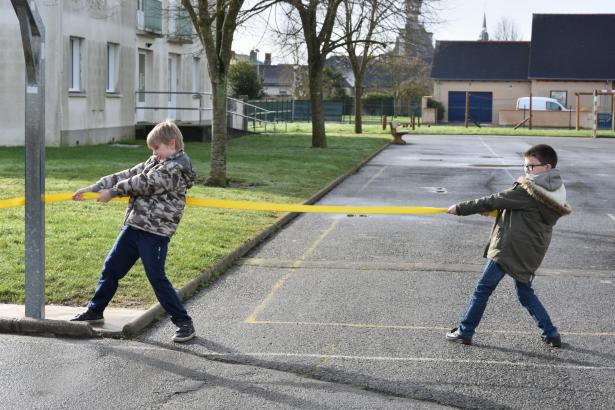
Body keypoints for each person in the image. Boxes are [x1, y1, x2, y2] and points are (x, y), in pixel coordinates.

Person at [70, 120, 197, 343]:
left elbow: (144, 182)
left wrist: (113, 192)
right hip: (134, 227)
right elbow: (129, 173)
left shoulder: (176, 169)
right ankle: (95, 310)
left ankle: (184, 323)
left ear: (172, 143)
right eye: (153, 150)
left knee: (156, 278)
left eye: (157, 148)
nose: (155, 154)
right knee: (111, 268)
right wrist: (95, 187)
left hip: (155, 233)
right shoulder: (157, 160)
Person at [445, 144, 571, 348]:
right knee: (524, 292)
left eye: (531, 167)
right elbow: (528, 214)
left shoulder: (529, 190)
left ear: (547, 167)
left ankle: (465, 331)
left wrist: (460, 208)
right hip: (531, 249)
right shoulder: (556, 188)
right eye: (525, 166)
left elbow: (494, 199)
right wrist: (498, 212)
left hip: (509, 249)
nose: (527, 171)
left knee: (482, 289)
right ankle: (550, 333)